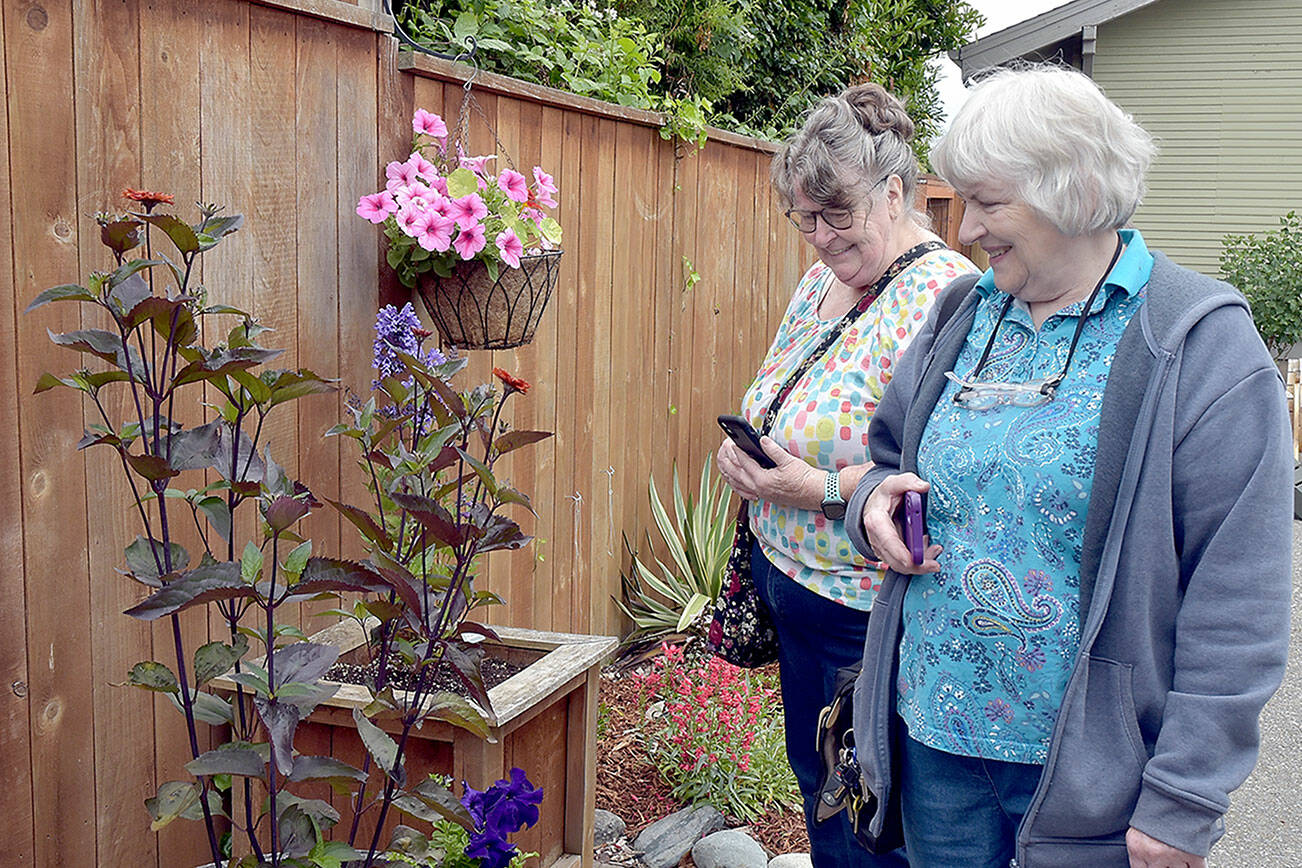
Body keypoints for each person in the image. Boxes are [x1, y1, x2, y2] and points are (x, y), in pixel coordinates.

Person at [845, 64, 1292, 868]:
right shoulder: (964, 312)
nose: (966, 227)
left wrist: (1185, 796)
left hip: (1093, 781)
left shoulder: (1200, 345)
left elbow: (1239, 598)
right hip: (934, 742)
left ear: (1074, 189)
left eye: (988, 201)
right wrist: (874, 503)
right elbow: (881, 461)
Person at [715, 81, 977, 866]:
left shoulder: (946, 296)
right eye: (805, 218)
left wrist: (810, 488)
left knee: (863, 812)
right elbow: (789, 396)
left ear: (894, 192)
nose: (821, 237)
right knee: (818, 785)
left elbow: (940, 492)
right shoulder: (825, 281)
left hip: (863, 617)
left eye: (838, 214)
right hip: (792, 587)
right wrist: (750, 449)